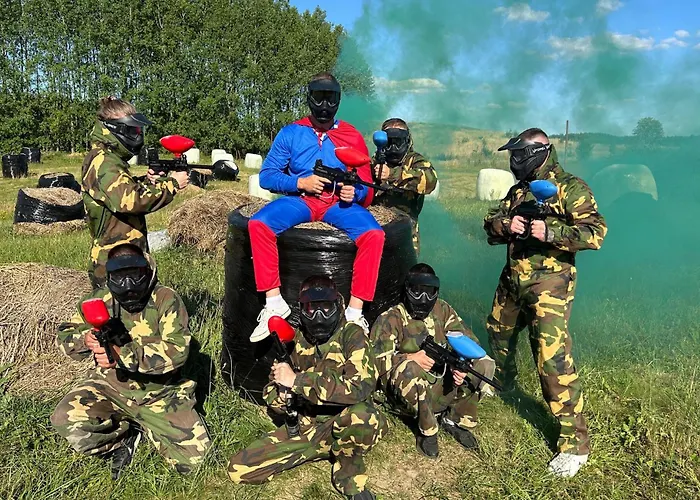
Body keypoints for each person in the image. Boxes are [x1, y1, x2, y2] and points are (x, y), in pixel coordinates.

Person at [483, 128, 607, 478]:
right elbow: (490, 224)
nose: (513, 162)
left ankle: (575, 444)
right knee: (498, 332)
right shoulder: (519, 190)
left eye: (518, 155)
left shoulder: (570, 187)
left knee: (552, 358)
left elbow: (596, 232)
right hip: (513, 279)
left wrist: (551, 233)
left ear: (538, 153)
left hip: (549, 284)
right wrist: (506, 224)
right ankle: (503, 383)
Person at [50, 244, 210, 479]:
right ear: (110, 277)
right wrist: (85, 339)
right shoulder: (98, 300)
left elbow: (177, 352)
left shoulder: (166, 299)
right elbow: (65, 335)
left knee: (196, 465)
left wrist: (121, 355)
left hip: (162, 392)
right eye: (120, 278)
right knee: (65, 419)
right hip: (111, 386)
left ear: (147, 271)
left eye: (135, 276)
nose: (128, 286)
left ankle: (149, 426)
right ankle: (122, 439)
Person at [248, 72, 384, 341]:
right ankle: (274, 303)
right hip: (301, 201)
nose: (324, 106)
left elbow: (366, 187)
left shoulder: (352, 136)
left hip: (337, 204)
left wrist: (353, 192)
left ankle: (354, 314)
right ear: (309, 98)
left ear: (338, 101)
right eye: (319, 98)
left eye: (330, 99)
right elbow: (267, 176)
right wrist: (300, 183)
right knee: (258, 225)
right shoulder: (291, 133)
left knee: (374, 235)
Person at [228, 275, 387, 500]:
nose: (319, 315)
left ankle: (349, 477)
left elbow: (360, 387)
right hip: (307, 425)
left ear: (337, 305)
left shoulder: (352, 335)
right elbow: (272, 391)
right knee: (239, 469)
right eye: (312, 308)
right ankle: (323, 447)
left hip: (346, 419)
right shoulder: (296, 339)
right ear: (303, 309)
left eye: (325, 307)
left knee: (363, 416)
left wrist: (297, 381)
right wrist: (281, 395)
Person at [370, 263, 495, 458]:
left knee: (484, 363)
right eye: (417, 292)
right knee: (409, 368)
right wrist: (409, 358)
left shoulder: (442, 310)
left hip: (440, 383)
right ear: (407, 290)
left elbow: (466, 340)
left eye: (429, 292)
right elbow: (373, 362)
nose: (423, 298)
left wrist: (460, 363)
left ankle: (454, 419)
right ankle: (427, 431)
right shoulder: (391, 318)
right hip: (405, 396)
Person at [81, 96, 190, 289]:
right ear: (117, 129)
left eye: (139, 130)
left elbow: (118, 190)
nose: (138, 135)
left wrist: (148, 182)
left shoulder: (109, 159)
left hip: (126, 256)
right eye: (134, 130)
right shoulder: (103, 162)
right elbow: (129, 200)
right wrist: (172, 184)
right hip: (114, 263)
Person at [371, 118, 437, 255]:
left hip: (406, 232)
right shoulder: (375, 161)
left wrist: (392, 174)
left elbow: (429, 180)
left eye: (398, 142)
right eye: (390, 142)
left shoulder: (414, 160)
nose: (393, 148)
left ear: (406, 140)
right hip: (375, 228)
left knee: (405, 267)